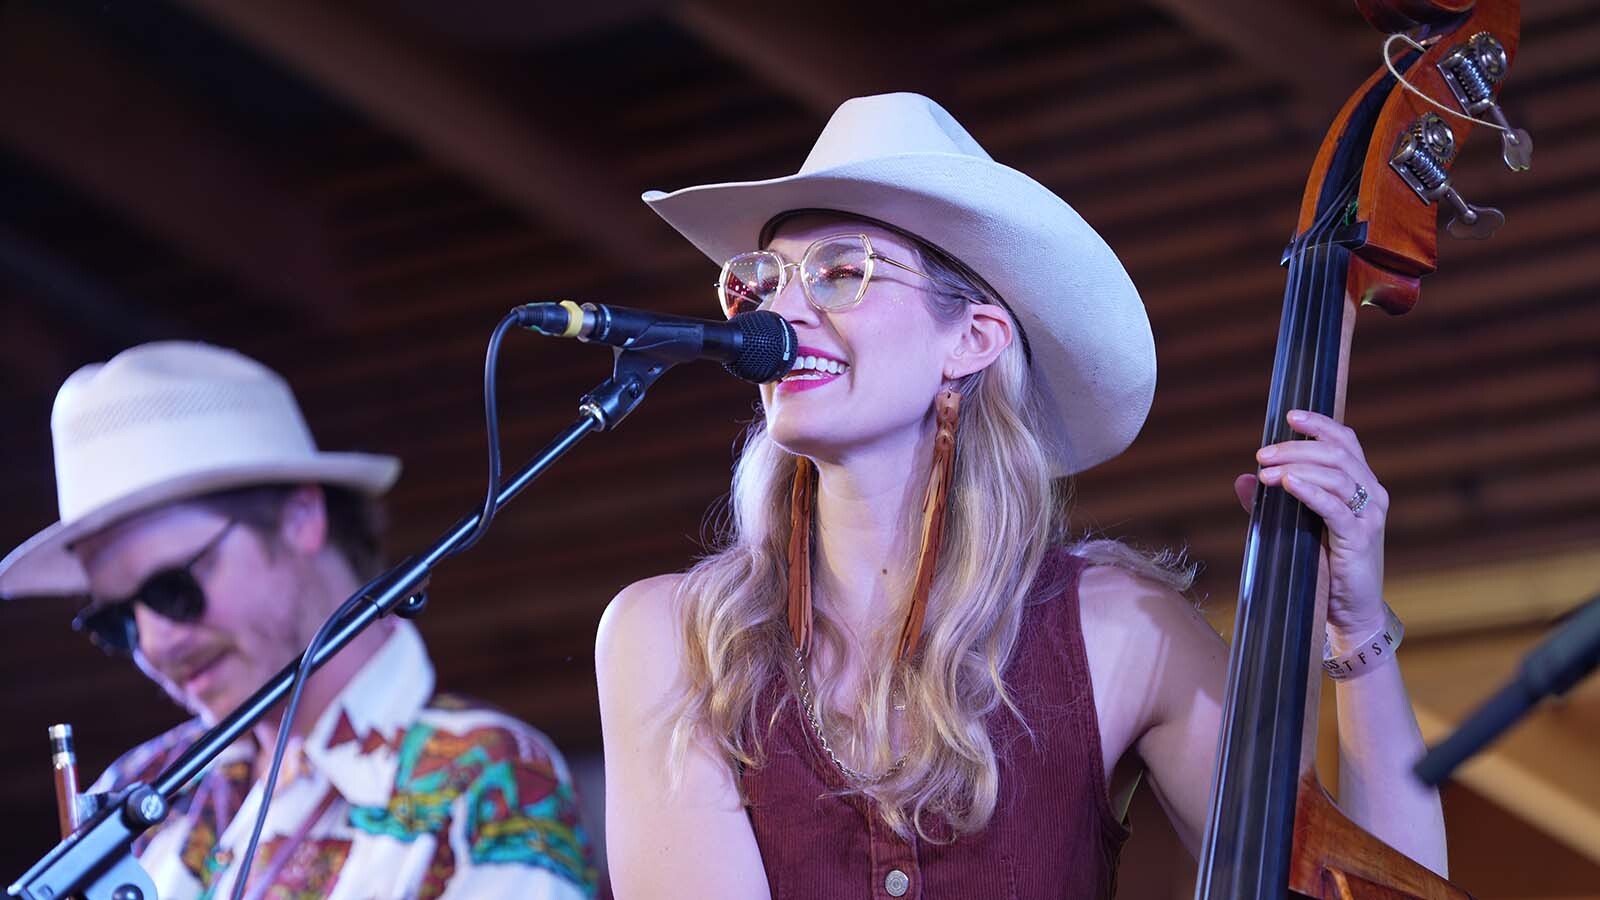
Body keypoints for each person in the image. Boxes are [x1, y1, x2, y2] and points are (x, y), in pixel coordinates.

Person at [595, 93, 1447, 898]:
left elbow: (1373, 886)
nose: (782, 315)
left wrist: (1357, 624)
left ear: (971, 338)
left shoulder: (1119, 627)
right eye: (767, 280)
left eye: (841, 273)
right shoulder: (672, 638)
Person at [0, 342, 597, 899]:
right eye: (117, 623)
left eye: (174, 589)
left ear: (301, 518)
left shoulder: (487, 777)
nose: (157, 641)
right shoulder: (143, 786)